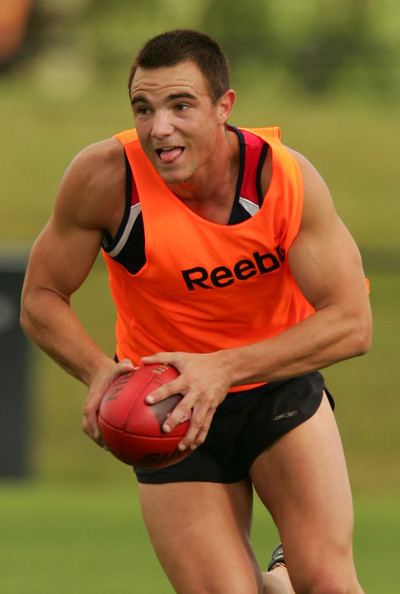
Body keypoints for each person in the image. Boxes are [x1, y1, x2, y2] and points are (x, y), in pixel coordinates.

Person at [21, 29, 371, 594]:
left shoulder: (283, 177)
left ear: (223, 108)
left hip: (273, 388)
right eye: (144, 107)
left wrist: (224, 368)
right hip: (167, 409)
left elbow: (353, 323)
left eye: (180, 105)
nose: (160, 127)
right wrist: (98, 371)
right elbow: (40, 298)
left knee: (327, 582)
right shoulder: (106, 180)